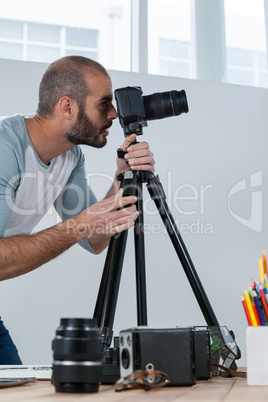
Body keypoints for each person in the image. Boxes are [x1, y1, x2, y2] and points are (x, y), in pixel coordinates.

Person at [0, 55, 155, 364]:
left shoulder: (69, 158)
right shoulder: (6, 149)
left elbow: (94, 240)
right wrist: (79, 225)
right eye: (104, 103)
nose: (113, 113)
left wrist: (123, 175)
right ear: (67, 107)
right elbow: (82, 228)